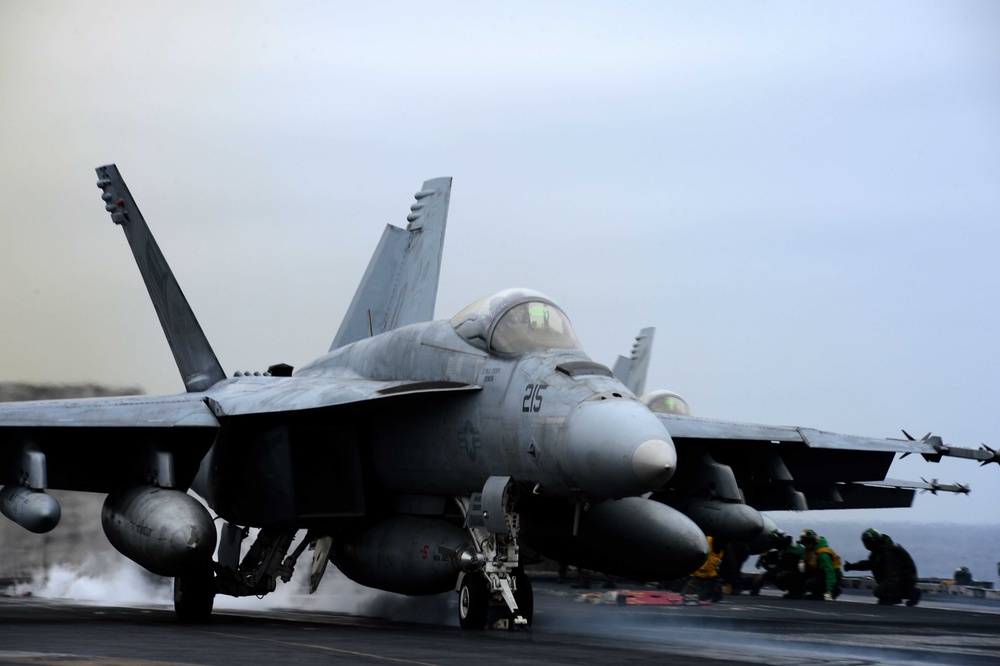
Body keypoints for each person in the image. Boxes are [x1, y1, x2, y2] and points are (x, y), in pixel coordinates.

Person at [843, 528, 920, 606]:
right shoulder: (881, 549)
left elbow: (893, 575)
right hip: (903, 579)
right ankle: (904, 593)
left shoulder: (889, 552)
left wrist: (889, 594)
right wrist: (852, 566)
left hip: (904, 580)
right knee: (882, 590)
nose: (868, 545)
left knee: (879, 592)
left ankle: (908, 594)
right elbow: (870, 563)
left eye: (868, 542)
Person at [753, 529, 803, 596]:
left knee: (781, 575)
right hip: (797, 570)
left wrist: (764, 576)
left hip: (798, 573)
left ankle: (796, 591)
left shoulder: (791, 553)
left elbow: (784, 567)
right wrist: (767, 555)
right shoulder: (790, 544)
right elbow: (781, 552)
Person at [798, 529, 842, 600]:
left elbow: (830, 571)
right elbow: (806, 555)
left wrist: (829, 590)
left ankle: (832, 591)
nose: (806, 545)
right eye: (804, 543)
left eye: (808, 542)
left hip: (832, 576)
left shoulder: (822, 554)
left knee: (810, 583)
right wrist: (802, 561)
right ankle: (817, 593)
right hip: (818, 572)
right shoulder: (809, 549)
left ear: (813, 542)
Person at [682, 536, 725, 603]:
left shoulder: (717, 543)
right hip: (698, 578)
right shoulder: (706, 541)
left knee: (713, 598)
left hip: (710, 579)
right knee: (687, 597)